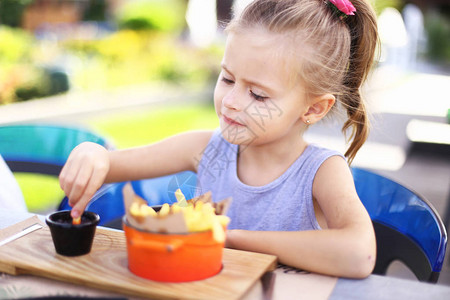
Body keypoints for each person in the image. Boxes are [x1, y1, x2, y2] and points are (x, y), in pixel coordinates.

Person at [60, 0, 379, 278]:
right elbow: (113, 163)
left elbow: (359, 254)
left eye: (257, 94)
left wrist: (228, 236)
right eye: (227, 78)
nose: (231, 101)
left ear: (313, 108)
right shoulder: (207, 149)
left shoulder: (321, 172)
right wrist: (94, 154)